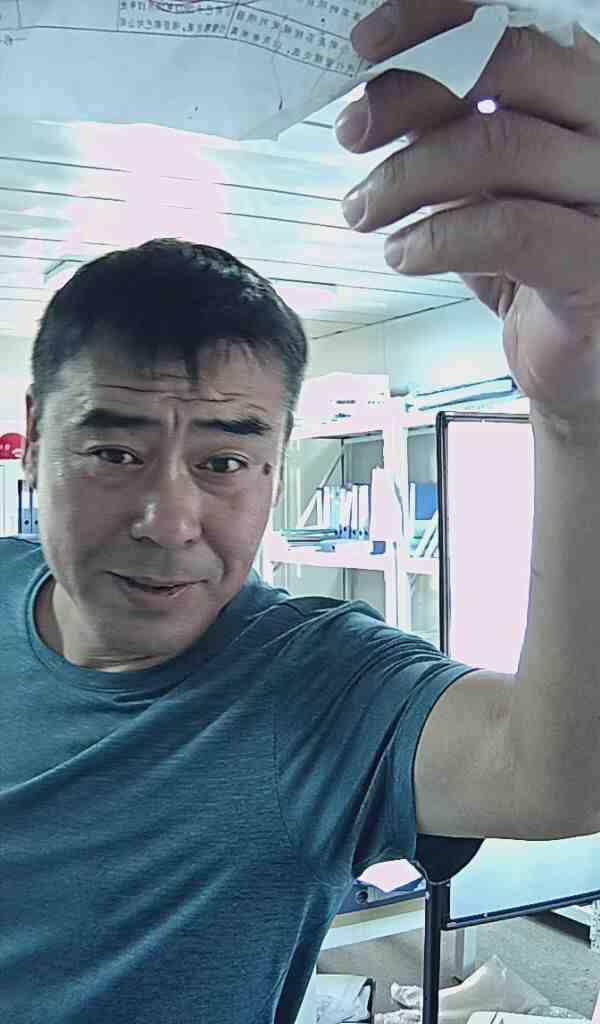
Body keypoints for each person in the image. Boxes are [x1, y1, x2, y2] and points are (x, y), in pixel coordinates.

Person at [2, 3, 600, 1022]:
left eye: (225, 460)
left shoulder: (311, 689)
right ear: (33, 436)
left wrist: (579, 420)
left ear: (277, 467)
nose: (169, 520)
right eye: (114, 451)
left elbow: (557, 769)